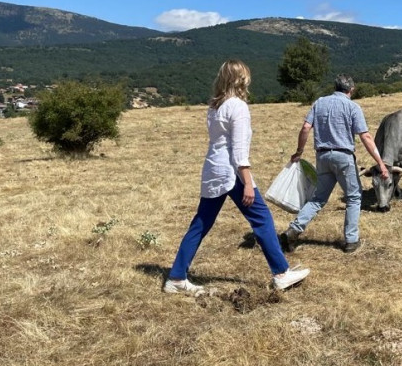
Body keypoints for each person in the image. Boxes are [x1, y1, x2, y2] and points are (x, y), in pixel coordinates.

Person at [165, 59, 309, 294]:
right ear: (242, 79)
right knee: (262, 219)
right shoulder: (238, 107)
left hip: (213, 170)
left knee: (200, 223)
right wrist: (248, 183)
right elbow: (239, 151)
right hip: (232, 174)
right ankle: (281, 273)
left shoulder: (214, 106)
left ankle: (177, 277)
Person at [281, 74, 389, 253]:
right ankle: (351, 240)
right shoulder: (353, 107)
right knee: (354, 197)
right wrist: (381, 164)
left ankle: (293, 230)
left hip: (322, 157)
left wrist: (299, 152)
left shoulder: (319, 102)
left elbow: (306, 128)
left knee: (317, 199)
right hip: (343, 157)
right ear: (351, 90)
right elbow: (366, 136)